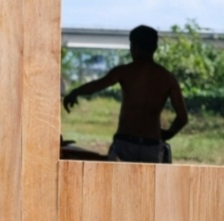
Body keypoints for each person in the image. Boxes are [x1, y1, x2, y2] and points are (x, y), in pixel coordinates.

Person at [62, 25, 189, 163]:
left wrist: (75, 92)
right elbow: (182, 118)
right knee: (148, 185)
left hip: (125, 143)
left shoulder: (125, 72)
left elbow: (97, 85)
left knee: (118, 184)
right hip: (152, 144)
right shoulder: (167, 78)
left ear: (134, 46)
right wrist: (168, 134)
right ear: (155, 48)